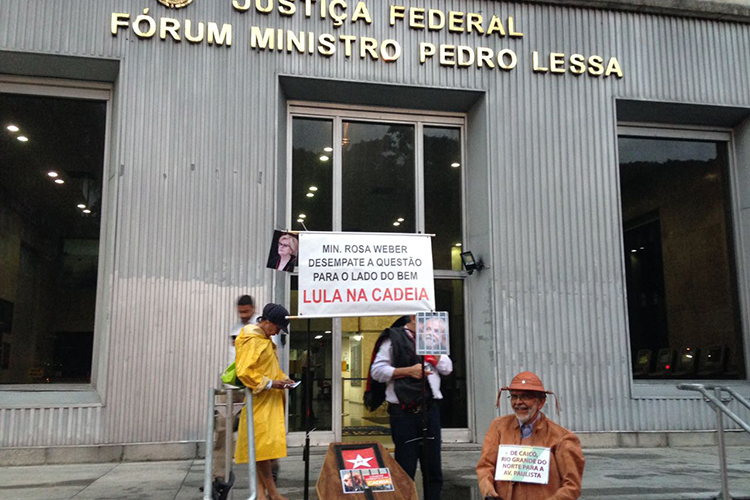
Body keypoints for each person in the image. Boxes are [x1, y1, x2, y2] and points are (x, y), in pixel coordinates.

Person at [369, 315, 453, 500]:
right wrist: (407, 371)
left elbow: (447, 368)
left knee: (433, 468)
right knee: (405, 467)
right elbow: (377, 371)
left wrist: (436, 355)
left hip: (430, 410)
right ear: (414, 317)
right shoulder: (393, 338)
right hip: (403, 413)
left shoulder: (432, 337)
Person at [476, 371, 585, 500]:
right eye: (514, 396)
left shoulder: (563, 438)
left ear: (541, 402)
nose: (518, 402)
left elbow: (572, 486)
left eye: (526, 397)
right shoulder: (499, 427)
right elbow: (485, 466)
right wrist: (489, 492)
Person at [235, 303, 295, 500]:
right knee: (262, 451)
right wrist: (270, 384)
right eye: (277, 327)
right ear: (267, 322)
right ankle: (273, 493)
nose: (277, 331)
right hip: (261, 402)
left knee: (263, 450)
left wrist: (284, 380)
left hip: (268, 401)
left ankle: (261, 493)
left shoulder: (264, 340)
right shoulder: (253, 339)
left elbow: (271, 370)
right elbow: (245, 372)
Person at [212, 295, 257, 483]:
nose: (243, 315)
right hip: (232, 387)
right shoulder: (235, 328)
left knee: (260, 430)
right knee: (223, 429)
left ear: (253, 309)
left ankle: (269, 471)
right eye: (240, 312)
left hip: (252, 386)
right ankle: (219, 477)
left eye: (246, 311)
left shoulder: (260, 326)